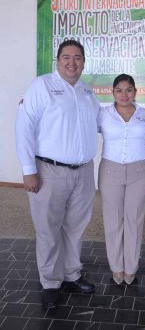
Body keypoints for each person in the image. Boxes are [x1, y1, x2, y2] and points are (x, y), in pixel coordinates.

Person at [16, 39, 100, 309]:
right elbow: (24, 127)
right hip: (48, 171)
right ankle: (50, 281)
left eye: (77, 57)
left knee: (75, 227)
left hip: (83, 172)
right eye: (66, 57)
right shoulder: (42, 85)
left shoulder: (88, 91)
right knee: (48, 228)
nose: (72, 62)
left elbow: (102, 123)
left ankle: (71, 274)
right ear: (58, 60)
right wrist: (29, 171)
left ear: (84, 62)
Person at [98, 74, 145, 286]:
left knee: (134, 220)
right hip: (110, 171)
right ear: (113, 92)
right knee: (113, 220)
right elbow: (77, 121)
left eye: (129, 90)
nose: (124, 94)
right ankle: (116, 267)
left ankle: (131, 267)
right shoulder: (102, 114)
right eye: (119, 90)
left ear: (135, 92)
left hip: (139, 172)